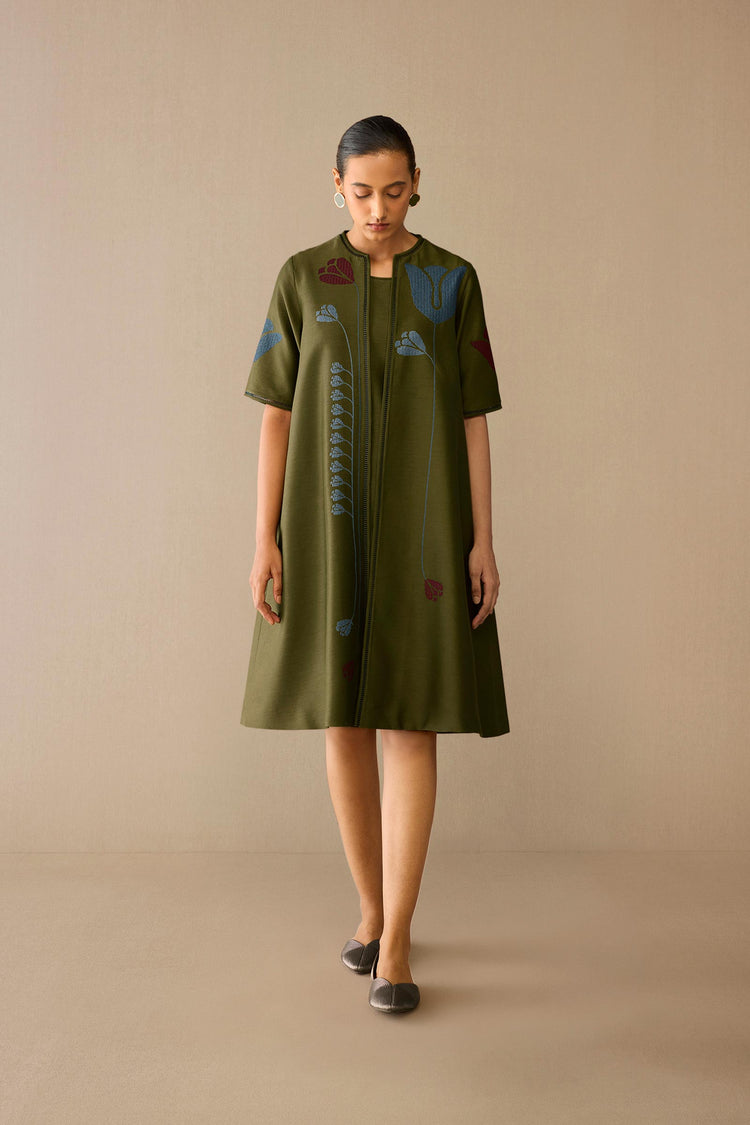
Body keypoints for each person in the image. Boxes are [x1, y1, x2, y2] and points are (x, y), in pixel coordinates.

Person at [241, 115, 510, 1014]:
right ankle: (369, 907)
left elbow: (472, 416)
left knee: (412, 721)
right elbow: (277, 414)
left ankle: (397, 939)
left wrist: (482, 537)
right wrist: (264, 537)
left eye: (395, 191)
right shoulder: (301, 277)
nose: (379, 209)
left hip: (427, 526)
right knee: (344, 719)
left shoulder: (452, 280)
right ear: (337, 186)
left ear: (417, 182)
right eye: (362, 192)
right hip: (325, 524)